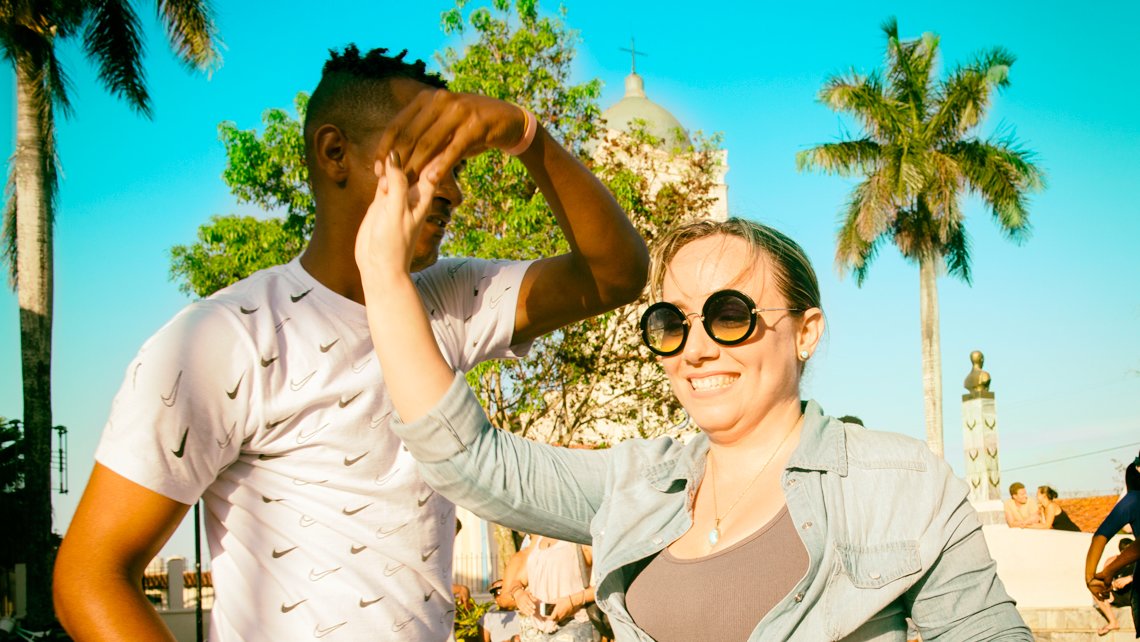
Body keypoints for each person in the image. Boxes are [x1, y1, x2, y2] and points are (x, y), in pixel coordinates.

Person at [52, 45, 648, 641]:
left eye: (457, 165)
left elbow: (617, 273)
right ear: (335, 153)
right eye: (423, 157)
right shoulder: (223, 338)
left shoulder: (450, 300)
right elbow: (90, 575)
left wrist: (525, 134)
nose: (452, 192)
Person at [356, 181, 1032, 641]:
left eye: (729, 316)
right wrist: (383, 278)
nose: (697, 348)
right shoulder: (635, 483)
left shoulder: (902, 484)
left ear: (807, 331)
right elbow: (470, 460)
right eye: (671, 323)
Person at [1086, 452, 1140, 637]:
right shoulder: (1134, 498)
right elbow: (1101, 535)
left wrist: (1096, 575)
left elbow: (1100, 536)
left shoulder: (1133, 498)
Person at [503, 536, 598, 642]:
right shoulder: (538, 538)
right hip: (539, 631)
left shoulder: (577, 534)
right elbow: (518, 580)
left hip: (575, 625)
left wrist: (572, 601)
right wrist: (518, 594)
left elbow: (607, 584)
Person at [1093, 538, 1136, 636]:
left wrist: (1129, 578)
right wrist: (1111, 587)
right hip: (1121, 596)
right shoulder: (1113, 561)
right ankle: (1113, 622)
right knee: (1096, 591)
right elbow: (1104, 581)